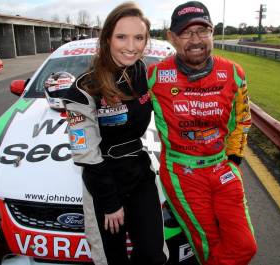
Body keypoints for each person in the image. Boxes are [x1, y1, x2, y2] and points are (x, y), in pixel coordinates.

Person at [147, 1, 257, 264]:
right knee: (208, 246)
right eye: (186, 32)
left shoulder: (233, 72)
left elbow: (243, 119)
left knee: (246, 246)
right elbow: (120, 101)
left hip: (222, 167)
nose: (195, 40)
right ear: (172, 38)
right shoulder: (154, 75)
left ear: (213, 33)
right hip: (182, 173)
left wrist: (233, 159)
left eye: (202, 31)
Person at [62, 2, 168, 265]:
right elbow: (86, 154)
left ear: (146, 41)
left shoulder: (146, 73)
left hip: (140, 173)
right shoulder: (83, 89)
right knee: (111, 259)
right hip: (104, 181)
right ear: (107, 37)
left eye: (139, 37)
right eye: (122, 37)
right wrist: (109, 202)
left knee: (154, 255)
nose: (131, 46)